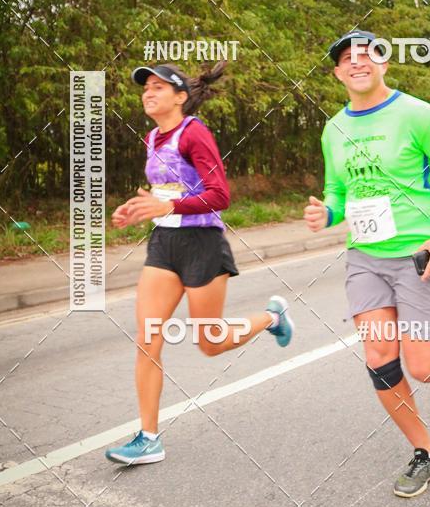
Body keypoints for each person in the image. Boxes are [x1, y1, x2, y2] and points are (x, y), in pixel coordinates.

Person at [304, 30, 430, 497]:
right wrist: (327, 213)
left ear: (384, 64)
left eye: (367, 54)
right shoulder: (334, 129)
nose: (357, 62)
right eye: (346, 58)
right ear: (337, 73)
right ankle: (426, 452)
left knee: (426, 367)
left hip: (420, 255)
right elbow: (339, 192)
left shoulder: (415, 114)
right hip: (365, 258)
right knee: (379, 357)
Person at [105, 62, 293, 465]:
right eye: (146, 87)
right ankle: (149, 438)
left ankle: (272, 318)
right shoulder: (152, 137)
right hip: (164, 244)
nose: (148, 92)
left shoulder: (194, 133)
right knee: (147, 338)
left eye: (158, 87)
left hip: (202, 243)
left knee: (210, 343)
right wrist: (137, 209)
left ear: (180, 97)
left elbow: (219, 195)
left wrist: (169, 205)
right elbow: (165, 191)